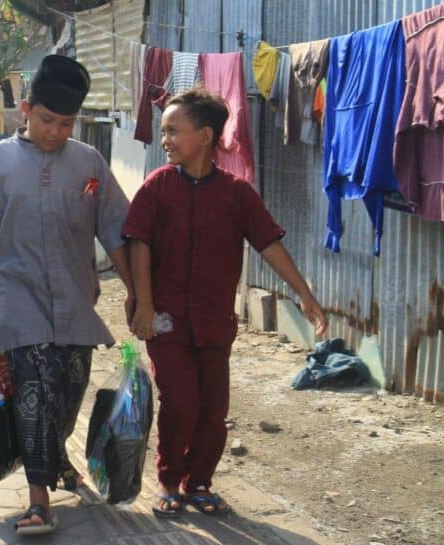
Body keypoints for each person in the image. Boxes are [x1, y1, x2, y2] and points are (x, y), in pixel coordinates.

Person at [122, 87, 328, 519]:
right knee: (180, 400)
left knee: (213, 408)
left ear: (206, 135)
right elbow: (138, 242)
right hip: (166, 321)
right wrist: (142, 304)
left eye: (174, 131)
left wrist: (304, 294)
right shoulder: (157, 186)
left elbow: (268, 243)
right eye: (164, 131)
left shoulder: (237, 193)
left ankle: (199, 483)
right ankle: (168, 480)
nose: (166, 140)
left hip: (214, 322)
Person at [0, 55, 135, 535]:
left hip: (76, 299)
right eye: (45, 120)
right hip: (15, 296)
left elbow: (116, 230)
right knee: (34, 392)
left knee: (67, 391)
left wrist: (136, 294)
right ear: (24, 109)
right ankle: (39, 500)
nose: (55, 132)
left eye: (65, 123)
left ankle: (54, 458)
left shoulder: (89, 162)